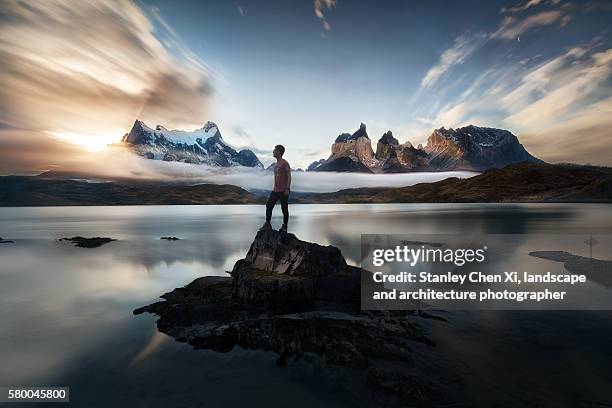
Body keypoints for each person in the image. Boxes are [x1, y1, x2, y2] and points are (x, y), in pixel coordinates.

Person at [261, 144, 291, 232]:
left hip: (284, 190)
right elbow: (275, 178)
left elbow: (289, 176)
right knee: (269, 205)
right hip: (276, 190)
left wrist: (287, 189)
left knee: (284, 209)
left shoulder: (285, 163)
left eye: (274, 150)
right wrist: (274, 188)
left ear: (279, 152)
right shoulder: (276, 165)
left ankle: (284, 226)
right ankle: (267, 224)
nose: (273, 151)